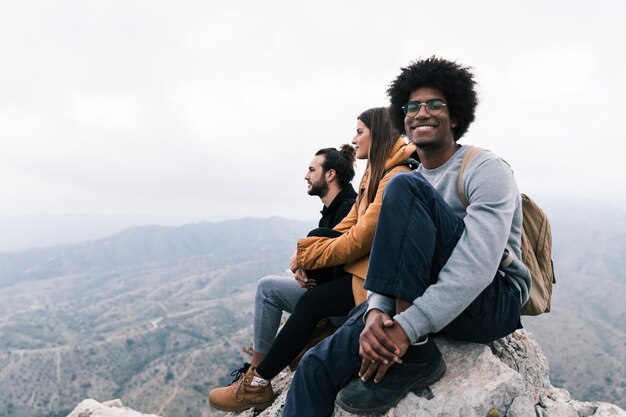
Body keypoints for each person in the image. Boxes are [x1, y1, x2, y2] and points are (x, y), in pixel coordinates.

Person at [282, 57, 532, 417]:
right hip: (417, 297)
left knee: (404, 187)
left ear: (456, 115)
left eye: (434, 104)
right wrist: (376, 313)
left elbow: (477, 266)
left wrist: (405, 329)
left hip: (491, 299)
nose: (421, 113)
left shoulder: (484, 169)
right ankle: (410, 346)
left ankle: (416, 355)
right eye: (412, 106)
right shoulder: (412, 177)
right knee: (315, 368)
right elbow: (394, 257)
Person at [208, 107, 417, 412]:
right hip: (362, 274)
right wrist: (307, 254)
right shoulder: (375, 172)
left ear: (379, 133)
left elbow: (360, 239)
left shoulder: (396, 175)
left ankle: (257, 384)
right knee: (312, 248)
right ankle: (257, 373)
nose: (354, 139)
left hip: (376, 282)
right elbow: (348, 228)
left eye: (360, 131)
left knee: (313, 302)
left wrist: (307, 255)